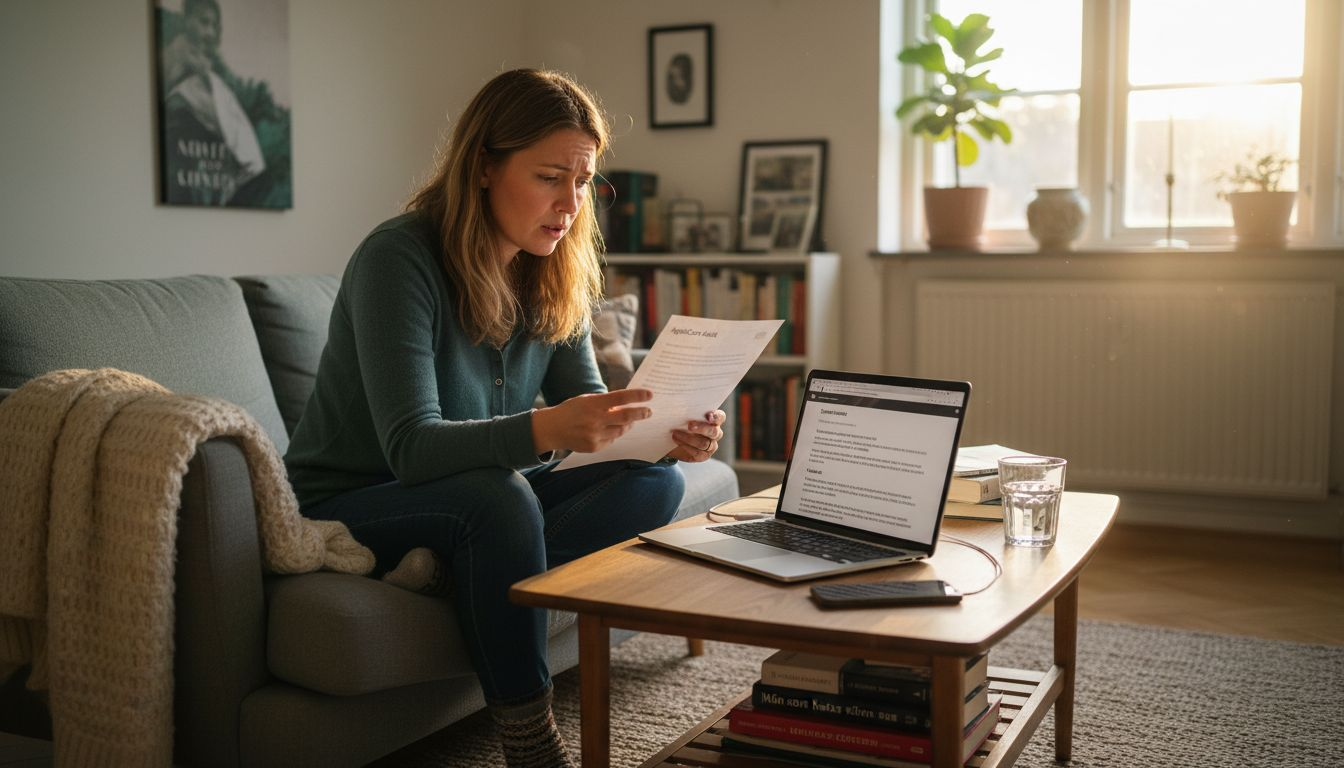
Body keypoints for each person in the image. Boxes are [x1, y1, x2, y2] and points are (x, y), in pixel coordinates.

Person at [283, 69, 725, 767]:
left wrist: (665, 436)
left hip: (481, 495)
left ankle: (468, 570)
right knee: (499, 495)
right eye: (551, 177)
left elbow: (590, 411)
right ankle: (530, 740)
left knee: (655, 485)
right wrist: (550, 429)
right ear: (484, 166)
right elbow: (410, 448)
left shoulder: (551, 269)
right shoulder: (399, 259)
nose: (570, 204)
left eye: (583, 182)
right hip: (353, 497)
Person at [159, 0, 265, 204]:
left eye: (214, 26)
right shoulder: (173, 61)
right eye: (203, 22)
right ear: (186, 21)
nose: (210, 33)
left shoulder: (214, 77)